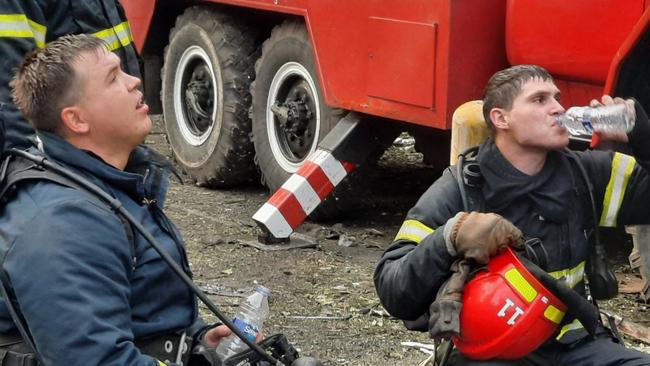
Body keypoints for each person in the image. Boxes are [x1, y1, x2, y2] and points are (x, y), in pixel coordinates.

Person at [374, 64, 650, 365]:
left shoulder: (585, 175)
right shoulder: (461, 190)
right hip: (499, 350)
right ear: (500, 118)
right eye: (539, 99)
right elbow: (393, 289)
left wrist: (644, 138)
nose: (558, 107)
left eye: (557, 98)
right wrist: (448, 239)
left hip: (576, 343)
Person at [0, 34, 233, 365]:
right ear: (76, 120)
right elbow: (96, 359)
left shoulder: (110, 185)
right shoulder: (62, 223)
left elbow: (140, 309)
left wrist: (195, 341)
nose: (134, 81)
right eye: (113, 78)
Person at [0, 0, 140, 152]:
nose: (135, 82)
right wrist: (23, 162)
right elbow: (11, 95)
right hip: (70, 160)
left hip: (108, 149)